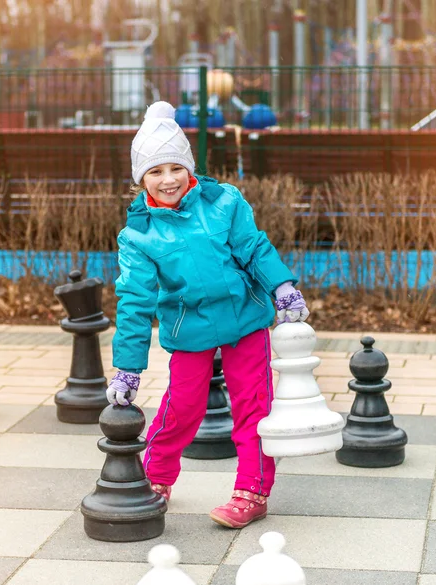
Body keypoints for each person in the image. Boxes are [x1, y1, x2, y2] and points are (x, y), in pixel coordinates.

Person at [106, 101, 309, 529]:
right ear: (140, 179)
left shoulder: (224, 201)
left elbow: (253, 248)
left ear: (189, 167)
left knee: (254, 406)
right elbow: (135, 302)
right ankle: (155, 478)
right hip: (190, 328)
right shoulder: (138, 235)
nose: (168, 180)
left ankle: (252, 490)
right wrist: (127, 368)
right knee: (182, 406)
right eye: (155, 172)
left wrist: (282, 286)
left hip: (244, 321)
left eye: (176, 168)